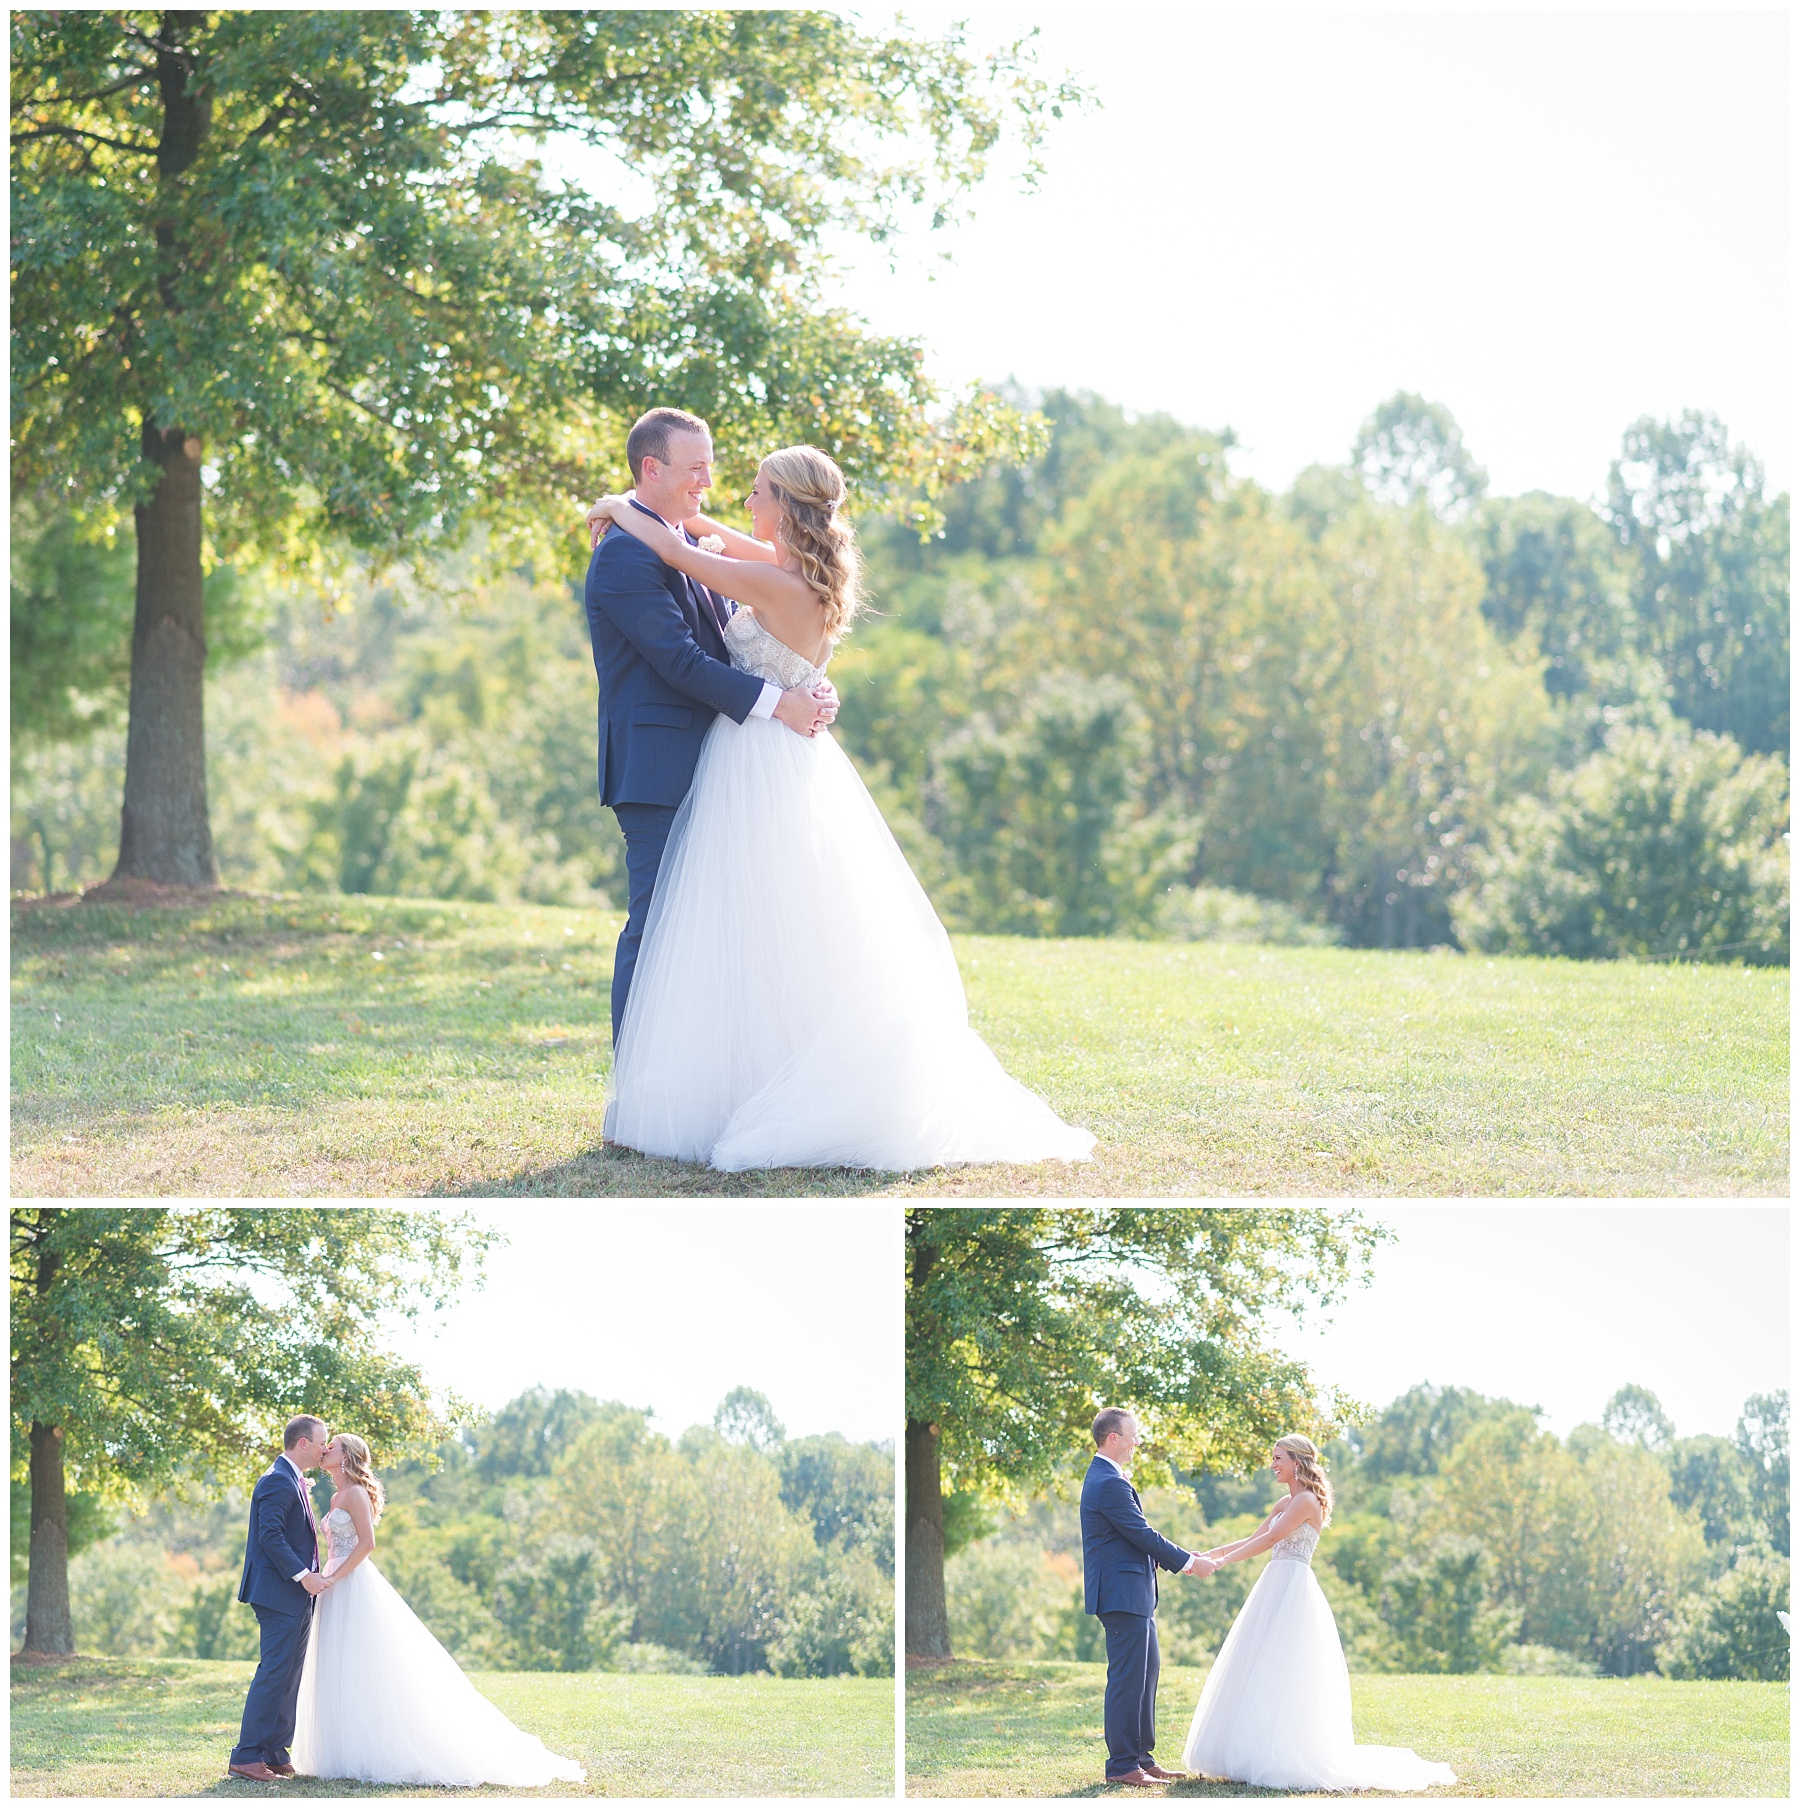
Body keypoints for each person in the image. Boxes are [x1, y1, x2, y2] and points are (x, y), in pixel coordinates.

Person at [583, 441, 1096, 1173]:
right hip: (770, 754)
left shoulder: (770, 582)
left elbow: (683, 550)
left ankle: (723, 1088)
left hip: (758, 759)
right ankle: (729, 1079)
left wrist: (616, 510)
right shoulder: (790, 573)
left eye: (758, 490)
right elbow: (708, 541)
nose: (741, 498)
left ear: (786, 506)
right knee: (768, 925)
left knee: (745, 925)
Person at [583, 406, 840, 1045]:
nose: (709, 481)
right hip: (659, 768)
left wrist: (802, 684)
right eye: (695, 467)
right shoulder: (623, 558)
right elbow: (681, 661)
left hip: (728, 763)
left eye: (712, 467)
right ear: (652, 467)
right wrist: (785, 700)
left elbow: (738, 639)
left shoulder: (699, 548)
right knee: (658, 924)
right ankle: (636, 1088)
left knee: (722, 931)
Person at [291, 1433, 584, 1787]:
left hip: (350, 1582)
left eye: (332, 1446)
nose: (325, 1450)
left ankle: (377, 1748)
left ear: (348, 1455)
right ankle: (342, 1747)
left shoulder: (353, 1494)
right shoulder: (336, 1495)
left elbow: (368, 1543)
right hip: (332, 1585)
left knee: (362, 1662)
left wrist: (334, 1576)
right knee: (337, 1664)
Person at [1180, 1434, 1457, 1791]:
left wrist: (1219, 1564)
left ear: (1297, 1462)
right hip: (1273, 1584)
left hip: (1293, 1587)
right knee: (1258, 1663)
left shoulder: (1307, 1501)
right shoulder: (1285, 1500)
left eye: (1278, 1457)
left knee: (1284, 1667)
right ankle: (1249, 1748)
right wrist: (1205, 1553)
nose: (1273, 1464)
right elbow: (1254, 1536)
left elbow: (1268, 1541)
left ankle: (1281, 1750)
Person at [1078, 1407, 1215, 1788]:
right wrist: (1187, 1562)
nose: (1137, 1442)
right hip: (1121, 1597)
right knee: (1127, 1680)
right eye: (1133, 1435)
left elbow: (1131, 1536)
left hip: (1134, 1595)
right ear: (1113, 1439)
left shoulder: (1109, 1478)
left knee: (1146, 1674)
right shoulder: (1109, 1482)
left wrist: (1184, 1555)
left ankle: (1142, 1758)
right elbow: (1141, 1533)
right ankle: (1122, 1765)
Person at [227, 1416, 334, 1782]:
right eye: (322, 1442)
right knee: (274, 1671)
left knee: (290, 1673)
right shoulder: (277, 1480)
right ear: (303, 1443)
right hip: (279, 1593)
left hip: (295, 1594)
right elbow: (270, 1536)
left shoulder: (293, 1478)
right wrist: (305, 1577)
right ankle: (246, 1755)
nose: (326, 1448)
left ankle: (274, 1751)